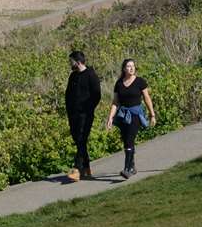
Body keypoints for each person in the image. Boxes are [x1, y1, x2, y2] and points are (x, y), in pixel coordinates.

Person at [105, 58, 156, 179]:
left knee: (129, 140)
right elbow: (115, 102)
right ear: (124, 69)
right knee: (126, 142)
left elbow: (147, 99)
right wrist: (110, 118)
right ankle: (132, 166)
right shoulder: (119, 83)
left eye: (133, 66)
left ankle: (127, 169)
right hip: (123, 116)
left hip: (135, 115)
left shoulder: (140, 82)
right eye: (128, 66)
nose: (131, 68)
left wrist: (152, 114)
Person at [64, 50, 102, 181]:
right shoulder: (73, 76)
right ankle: (86, 169)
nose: (70, 64)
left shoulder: (91, 75)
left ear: (78, 62)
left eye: (72, 61)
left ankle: (77, 169)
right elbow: (68, 95)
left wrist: (88, 109)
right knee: (79, 141)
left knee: (81, 139)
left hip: (86, 115)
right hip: (73, 115)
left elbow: (97, 95)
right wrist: (69, 112)